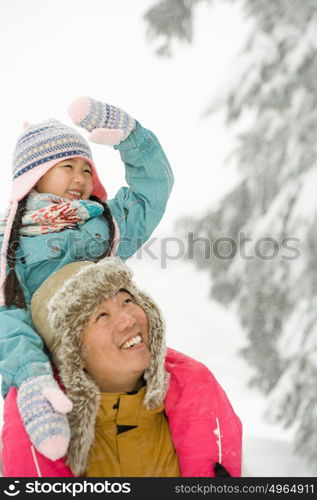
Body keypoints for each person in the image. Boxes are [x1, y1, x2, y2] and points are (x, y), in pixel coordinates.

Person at [0, 97, 174, 461]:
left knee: (192, 381)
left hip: (119, 347)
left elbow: (150, 194)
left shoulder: (103, 223)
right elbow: (6, 316)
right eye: (68, 166)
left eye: (86, 168)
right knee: (30, 443)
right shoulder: (10, 242)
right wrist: (31, 377)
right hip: (53, 367)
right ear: (35, 174)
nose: (81, 178)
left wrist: (132, 136)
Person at [1, 257, 243, 477]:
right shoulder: (49, 439)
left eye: (127, 301)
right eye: (102, 316)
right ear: (73, 353)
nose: (128, 320)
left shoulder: (191, 404)